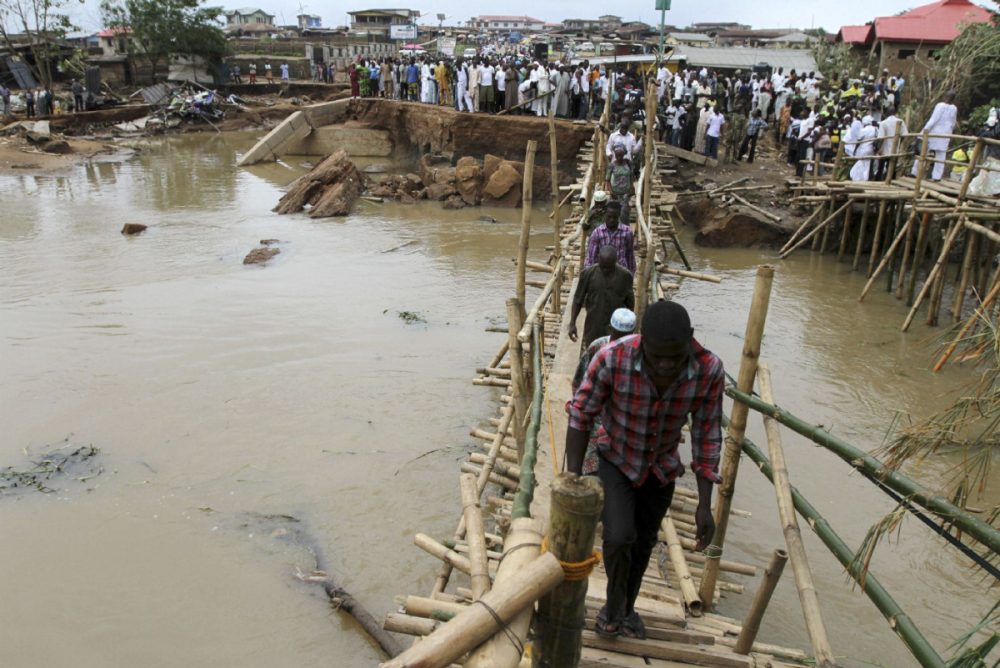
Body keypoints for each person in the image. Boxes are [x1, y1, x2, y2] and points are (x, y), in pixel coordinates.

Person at [566, 299, 722, 639]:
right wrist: (573, 477)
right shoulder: (612, 357)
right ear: (642, 341)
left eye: (674, 356)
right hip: (616, 457)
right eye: (657, 356)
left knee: (644, 543)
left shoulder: (708, 370)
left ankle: (627, 608)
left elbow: (706, 435)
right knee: (619, 536)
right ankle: (611, 606)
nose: (666, 365)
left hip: (661, 467)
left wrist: (704, 505)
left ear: (690, 341)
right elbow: (581, 412)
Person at [571, 307, 637, 476]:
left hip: (621, 419)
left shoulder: (637, 353)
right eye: (618, 335)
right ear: (611, 330)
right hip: (596, 415)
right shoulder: (598, 348)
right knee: (591, 463)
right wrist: (580, 407)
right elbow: (579, 381)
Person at [568, 245, 635, 348]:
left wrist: (629, 327)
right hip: (594, 325)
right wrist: (572, 323)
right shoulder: (588, 274)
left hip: (616, 328)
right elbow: (578, 300)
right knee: (593, 353)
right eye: (603, 267)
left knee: (614, 354)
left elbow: (630, 303)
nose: (605, 271)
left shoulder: (625, 276)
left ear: (615, 262)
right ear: (598, 259)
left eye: (609, 268)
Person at [913, 91, 958, 181]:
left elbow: (933, 119)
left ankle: (915, 172)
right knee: (940, 156)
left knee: (923, 152)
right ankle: (937, 176)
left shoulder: (940, 105)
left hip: (934, 132)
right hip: (945, 134)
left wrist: (923, 132)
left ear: (946, 97)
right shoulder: (954, 108)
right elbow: (953, 123)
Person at [586, 200, 635, 273]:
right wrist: (589, 275)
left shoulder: (627, 232)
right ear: (605, 214)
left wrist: (631, 274)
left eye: (615, 217)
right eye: (609, 216)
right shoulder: (597, 233)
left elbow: (630, 255)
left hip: (621, 273)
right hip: (602, 274)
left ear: (619, 215)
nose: (612, 220)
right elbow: (591, 258)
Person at [605, 147, 634, 227]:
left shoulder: (628, 164)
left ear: (624, 155)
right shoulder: (612, 165)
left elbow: (631, 176)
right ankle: (615, 228)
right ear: (615, 155)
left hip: (625, 192)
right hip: (615, 193)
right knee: (614, 212)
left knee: (624, 211)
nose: (619, 158)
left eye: (621, 156)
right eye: (617, 156)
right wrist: (611, 191)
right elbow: (607, 180)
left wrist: (631, 188)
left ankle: (625, 228)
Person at [876, 107, 906, 180]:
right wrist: (899, 143)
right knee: (892, 166)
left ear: (887, 114)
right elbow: (904, 135)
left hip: (884, 149)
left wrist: (879, 149)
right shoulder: (900, 121)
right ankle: (891, 180)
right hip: (895, 148)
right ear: (895, 113)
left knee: (881, 166)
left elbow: (881, 137)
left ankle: (879, 180)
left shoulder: (883, 123)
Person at [850, 115, 878, 182]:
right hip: (871, 149)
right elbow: (877, 140)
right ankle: (865, 177)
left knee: (862, 163)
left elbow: (859, 141)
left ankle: (860, 177)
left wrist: (854, 150)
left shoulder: (863, 130)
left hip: (863, 149)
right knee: (867, 164)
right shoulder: (875, 129)